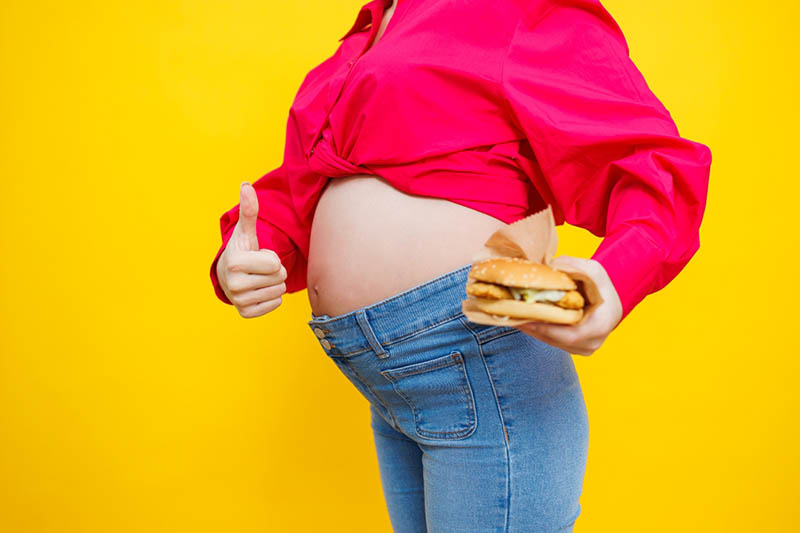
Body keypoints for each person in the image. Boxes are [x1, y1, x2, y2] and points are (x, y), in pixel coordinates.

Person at [209, 0, 712, 530]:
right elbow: (306, 182)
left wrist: (613, 279)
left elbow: (649, 161)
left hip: (483, 345)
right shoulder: (371, 27)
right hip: (392, 378)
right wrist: (250, 252)